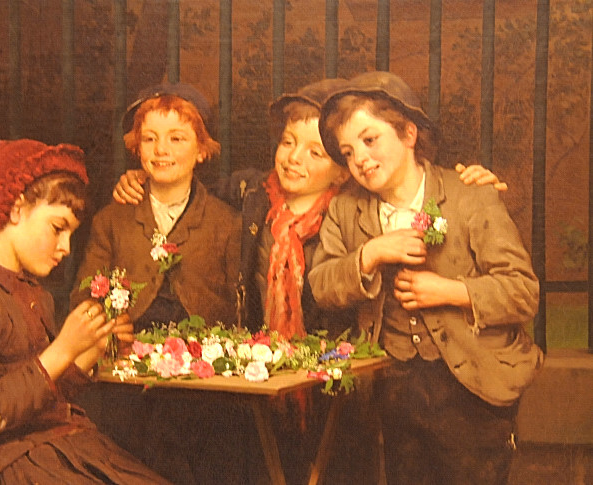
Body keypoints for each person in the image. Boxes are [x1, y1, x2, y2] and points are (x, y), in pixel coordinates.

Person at [112, 78, 508, 484]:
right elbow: (183, 188)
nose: (293, 158)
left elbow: (417, 188)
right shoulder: (249, 194)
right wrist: (140, 178)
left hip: (340, 392)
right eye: (287, 142)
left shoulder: (356, 211)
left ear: (343, 170)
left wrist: (473, 179)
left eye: (315, 151)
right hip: (261, 387)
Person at [308, 71, 543, 485]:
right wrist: (370, 254)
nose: (360, 158)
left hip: (474, 387)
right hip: (395, 390)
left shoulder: (469, 195)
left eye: (370, 139)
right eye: (348, 151)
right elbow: (321, 285)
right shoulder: (346, 210)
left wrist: (450, 291)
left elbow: (523, 292)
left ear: (409, 134)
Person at [0, 139, 170, 484]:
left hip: (39, 446)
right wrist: (64, 348)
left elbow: (42, 394)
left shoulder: (33, 292)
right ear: (17, 209)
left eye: (71, 234)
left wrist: (89, 350)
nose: (66, 248)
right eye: (57, 228)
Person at [69, 83, 244, 484]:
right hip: (127, 377)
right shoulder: (112, 220)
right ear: (137, 148)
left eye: (176, 138)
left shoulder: (227, 223)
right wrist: (106, 324)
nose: (161, 149)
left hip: (203, 380)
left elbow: (240, 308)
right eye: (149, 139)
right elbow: (84, 294)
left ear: (202, 150)